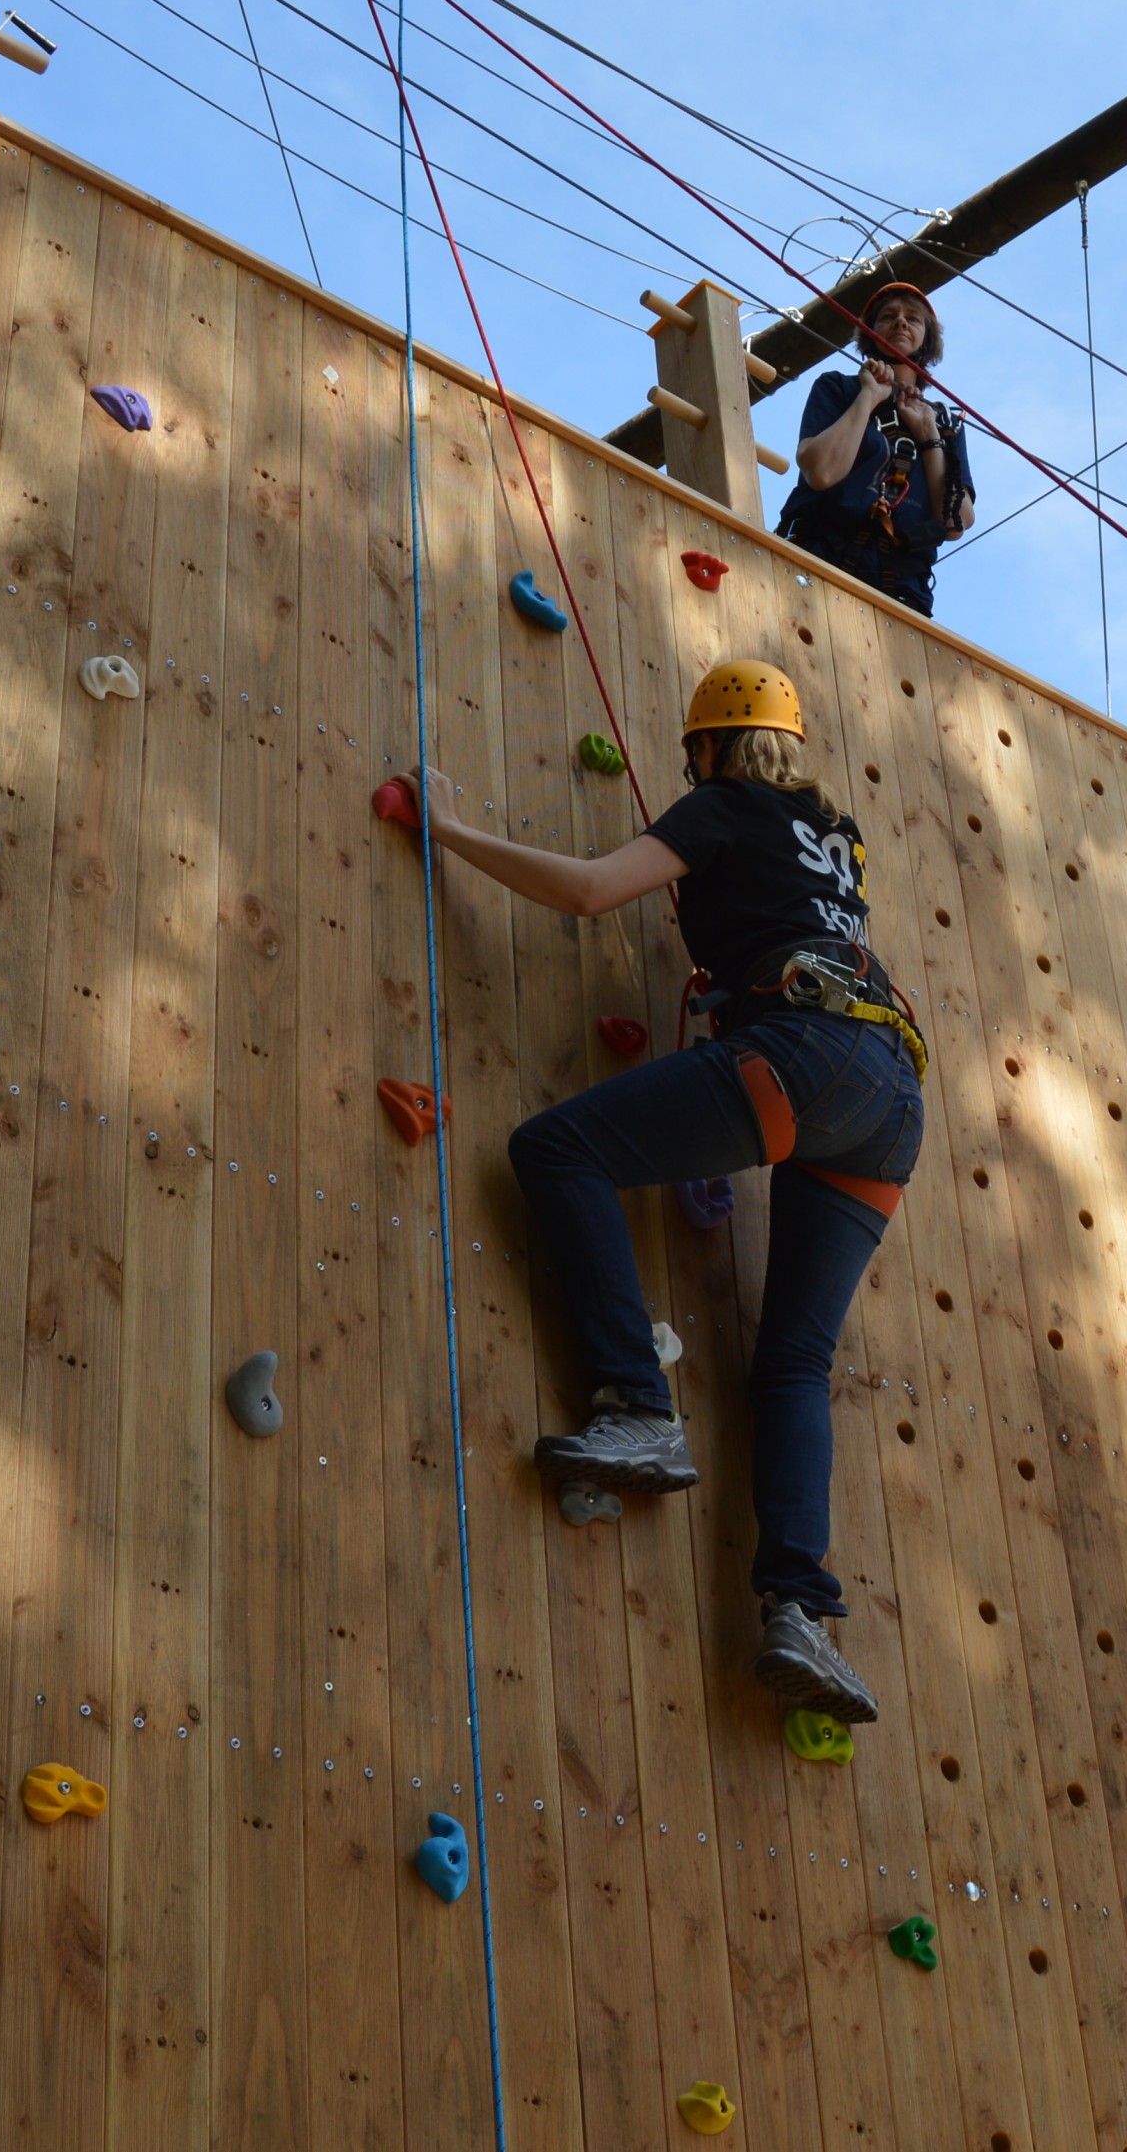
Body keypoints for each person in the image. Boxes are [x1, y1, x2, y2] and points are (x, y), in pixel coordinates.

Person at [408, 660, 927, 1725]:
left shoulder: (727, 803)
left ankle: (639, 1407)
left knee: (558, 1148)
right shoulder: (838, 835)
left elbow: (592, 891)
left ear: (710, 746)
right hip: (891, 1101)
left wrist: (450, 832)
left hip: (805, 1056)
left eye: (694, 754)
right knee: (795, 1362)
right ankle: (799, 1610)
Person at [779, 282, 975, 615]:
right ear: (872, 333)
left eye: (913, 318)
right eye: (888, 316)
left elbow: (956, 523)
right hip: (819, 560)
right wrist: (868, 396)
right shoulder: (840, 388)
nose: (901, 322)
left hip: (900, 593)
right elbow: (821, 472)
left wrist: (929, 437)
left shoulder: (944, 423)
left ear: (926, 338)